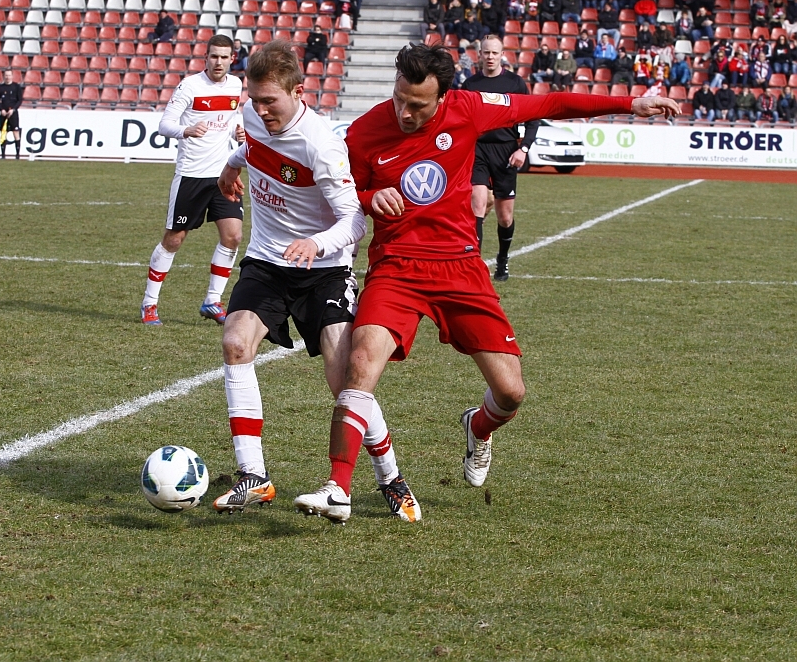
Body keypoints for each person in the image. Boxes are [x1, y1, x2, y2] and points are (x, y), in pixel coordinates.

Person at [290, 42, 679, 523]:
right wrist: (372, 197)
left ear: (443, 97)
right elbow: (344, 196)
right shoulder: (366, 131)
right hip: (397, 266)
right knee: (361, 361)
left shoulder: (470, 107)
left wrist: (630, 103)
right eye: (399, 98)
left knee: (511, 393)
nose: (405, 112)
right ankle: (338, 488)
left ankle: (478, 426)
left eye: (418, 105)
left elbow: (549, 103)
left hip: (460, 266)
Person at [210, 41, 421, 521]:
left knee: (344, 380)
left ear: (298, 92)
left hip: (323, 270)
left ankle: (390, 477)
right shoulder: (254, 116)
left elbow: (354, 221)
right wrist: (231, 166)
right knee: (236, 342)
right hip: (267, 261)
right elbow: (252, 146)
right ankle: (253, 476)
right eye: (254, 100)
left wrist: (316, 244)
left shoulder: (321, 145)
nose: (261, 110)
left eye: (270, 102)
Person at [141, 36, 245, 327]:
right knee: (174, 239)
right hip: (191, 175)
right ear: (206, 57)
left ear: (232, 59)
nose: (218, 62)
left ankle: (212, 300)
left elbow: (230, 119)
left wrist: (238, 132)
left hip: (223, 174)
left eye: (224, 57)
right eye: (214, 56)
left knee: (233, 236)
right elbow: (164, 125)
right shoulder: (190, 86)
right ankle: (149, 303)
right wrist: (186, 130)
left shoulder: (236, 85)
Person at [463, 34, 539, 280]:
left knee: (505, 216)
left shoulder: (515, 84)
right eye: (486, 52)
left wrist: (523, 149)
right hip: (478, 150)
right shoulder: (470, 85)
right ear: (479, 55)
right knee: (477, 203)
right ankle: (473, 265)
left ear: (502, 55)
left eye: (495, 53)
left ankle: (503, 260)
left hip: (506, 152)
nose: (490, 57)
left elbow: (533, 118)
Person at [0, 70, 23, 159]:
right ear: (4, 76)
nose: (7, 77)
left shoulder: (16, 86)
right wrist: (1, 109)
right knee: (3, 133)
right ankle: (3, 155)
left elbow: (20, 100)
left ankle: (17, 155)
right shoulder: (1, 87)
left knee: (16, 132)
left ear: (12, 76)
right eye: (6, 75)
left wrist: (13, 109)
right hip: (3, 114)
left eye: (9, 75)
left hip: (13, 114)